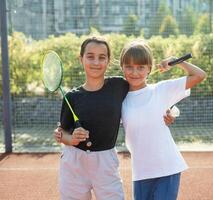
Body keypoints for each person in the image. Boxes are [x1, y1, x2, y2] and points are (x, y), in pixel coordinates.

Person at [54, 36, 175, 200]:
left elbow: (145, 94)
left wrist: (169, 111)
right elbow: (62, 134)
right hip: (74, 163)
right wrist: (72, 139)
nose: (96, 62)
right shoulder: (71, 97)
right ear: (81, 58)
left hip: (106, 161)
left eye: (102, 57)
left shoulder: (119, 86)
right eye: (90, 56)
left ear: (108, 61)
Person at [119, 40, 206, 200]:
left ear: (149, 69)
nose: (135, 72)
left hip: (167, 167)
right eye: (129, 67)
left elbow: (200, 75)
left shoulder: (161, 89)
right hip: (141, 171)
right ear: (122, 67)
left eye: (141, 67)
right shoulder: (119, 98)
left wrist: (177, 61)